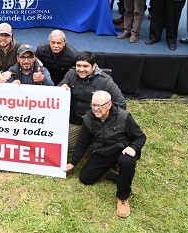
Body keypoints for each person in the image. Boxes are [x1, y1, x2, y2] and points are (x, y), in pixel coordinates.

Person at [64, 90, 146, 219]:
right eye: (93, 105)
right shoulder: (88, 118)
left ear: (109, 104)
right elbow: (83, 142)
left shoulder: (124, 117)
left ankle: (123, 197)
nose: (96, 109)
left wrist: (133, 147)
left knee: (126, 162)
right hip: (104, 152)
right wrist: (73, 162)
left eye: (99, 105)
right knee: (85, 178)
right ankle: (115, 169)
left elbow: (140, 137)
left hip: (123, 150)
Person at [60, 51, 127, 147]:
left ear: (94, 66)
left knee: (99, 146)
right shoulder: (71, 74)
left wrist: (103, 117)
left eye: (85, 66)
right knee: (66, 145)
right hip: (75, 121)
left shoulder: (105, 81)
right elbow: (58, 89)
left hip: (95, 122)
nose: (81, 69)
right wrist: (62, 88)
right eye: (78, 66)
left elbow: (121, 103)